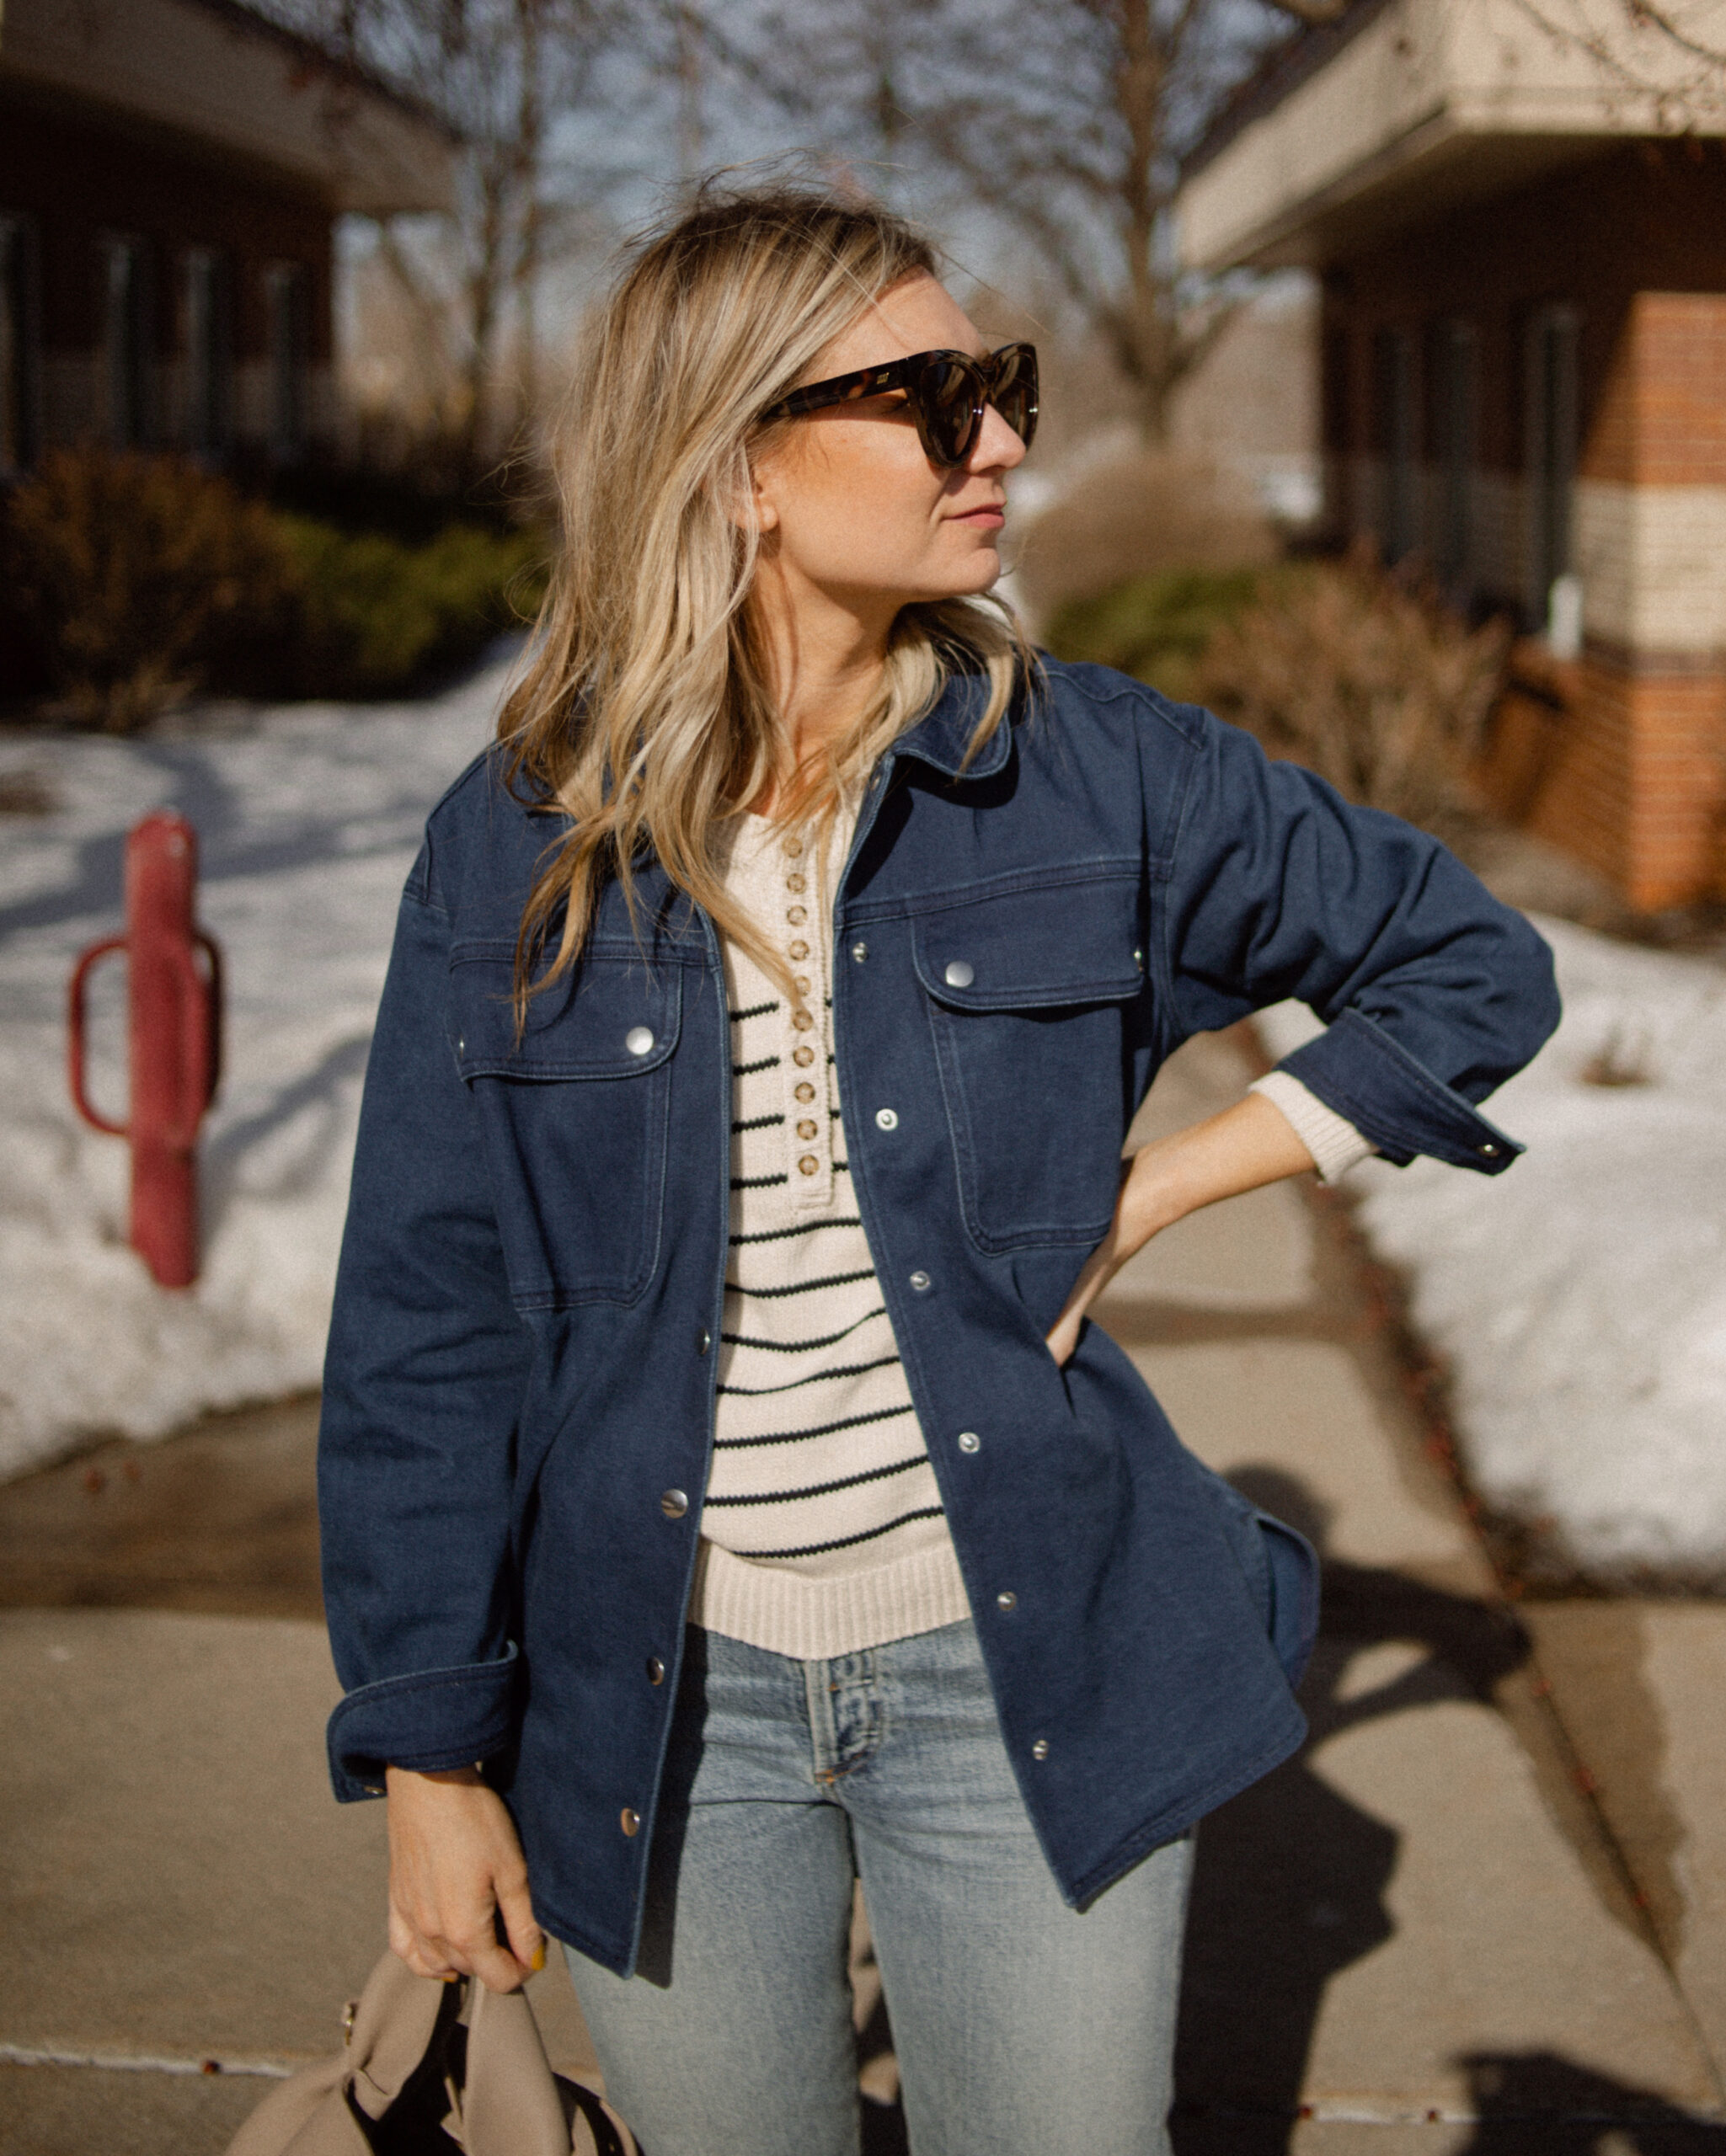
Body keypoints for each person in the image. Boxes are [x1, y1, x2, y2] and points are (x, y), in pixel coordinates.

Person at [318, 181, 1559, 2156]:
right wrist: (426, 1749)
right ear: (734, 462)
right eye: (927, 394)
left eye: (1001, 384)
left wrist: (1166, 1184)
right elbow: (425, 1313)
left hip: (1022, 1667)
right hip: (653, 1699)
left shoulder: (1092, 769)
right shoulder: (523, 841)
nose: (996, 438)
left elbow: (1468, 965)